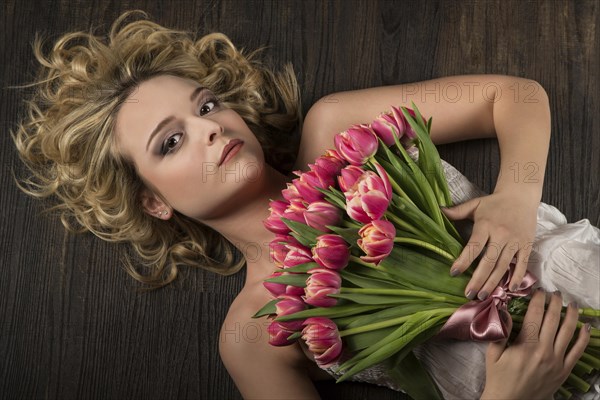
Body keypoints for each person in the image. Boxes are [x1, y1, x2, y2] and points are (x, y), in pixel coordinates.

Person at [12, 10, 598, 399]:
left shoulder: (339, 130)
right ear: (153, 202)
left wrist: (515, 196)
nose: (210, 129)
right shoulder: (252, 335)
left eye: (207, 106)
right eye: (172, 141)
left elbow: (512, 96)